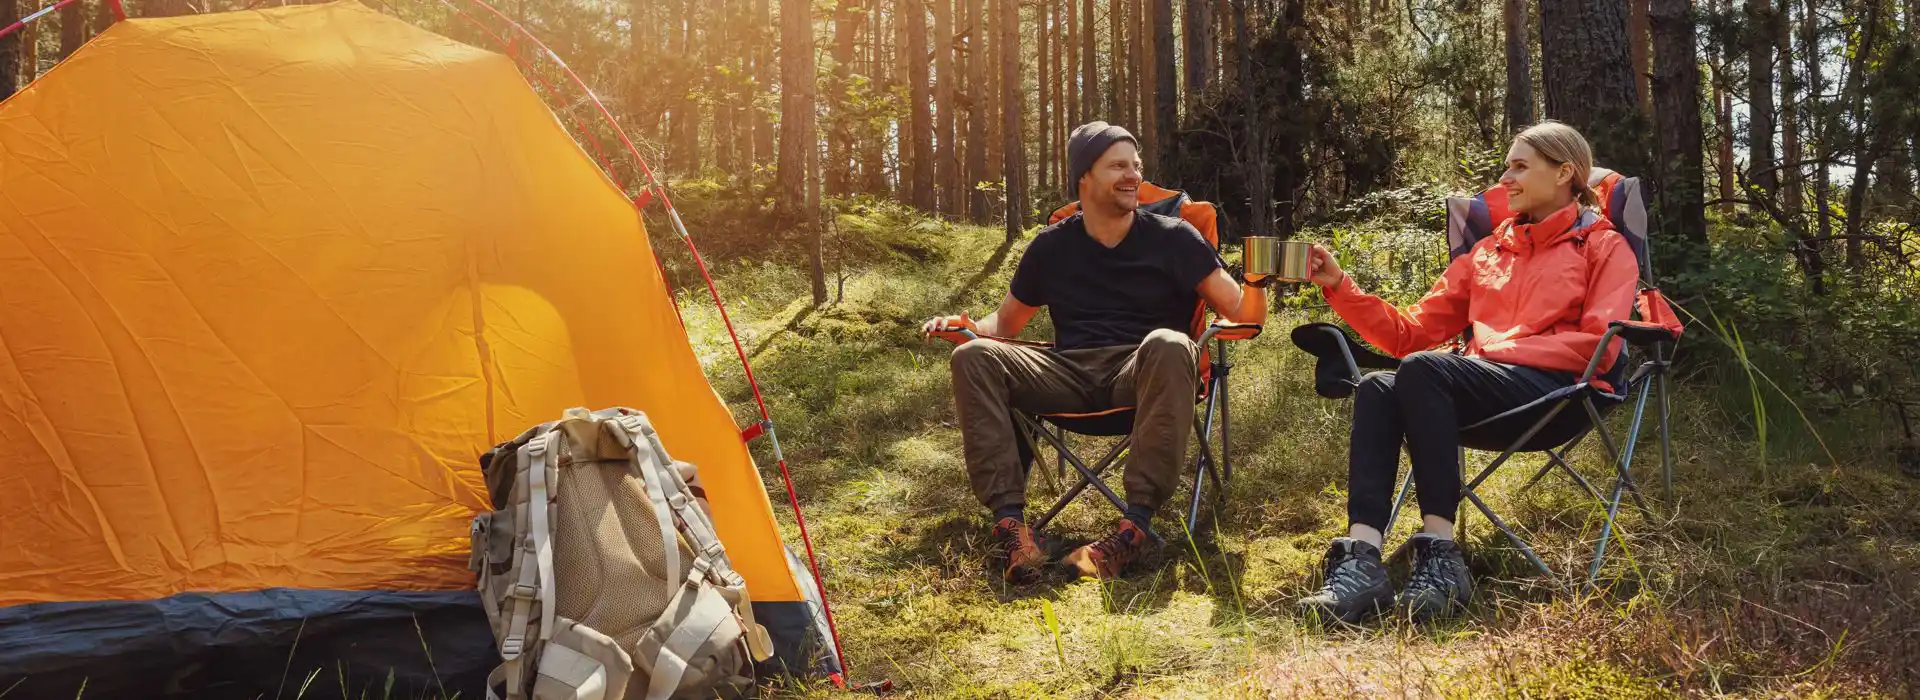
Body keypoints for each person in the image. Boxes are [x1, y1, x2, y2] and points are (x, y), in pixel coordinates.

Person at [1294, 120, 1640, 622]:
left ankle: (1440, 555)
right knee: (1378, 386)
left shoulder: (1604, 246)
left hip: (1561, 395)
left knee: (1425, 371)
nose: (1505, 179)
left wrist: (1498, 351)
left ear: (1566, 171)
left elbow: (1600, 348)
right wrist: (1340, 284)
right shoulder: (1487, 253)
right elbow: (1408, 335)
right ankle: (1362, 560)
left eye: (1520, 166)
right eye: (1506, 167)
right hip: (1479, 391)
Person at [921, 121, 1271, 582]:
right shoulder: (1051, 246)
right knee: (973, 355)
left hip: (1143, 371)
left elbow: (1242, 316)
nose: (1134, 176)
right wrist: (968, 328)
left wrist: (1257, 281)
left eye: (1136, 166)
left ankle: (1133, 531)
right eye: (1118, 166)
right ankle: (1011, 529)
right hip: (1067, 374)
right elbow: (1005, 325)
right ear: (1084, 176)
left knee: (1168, 342)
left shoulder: (1176, 237)